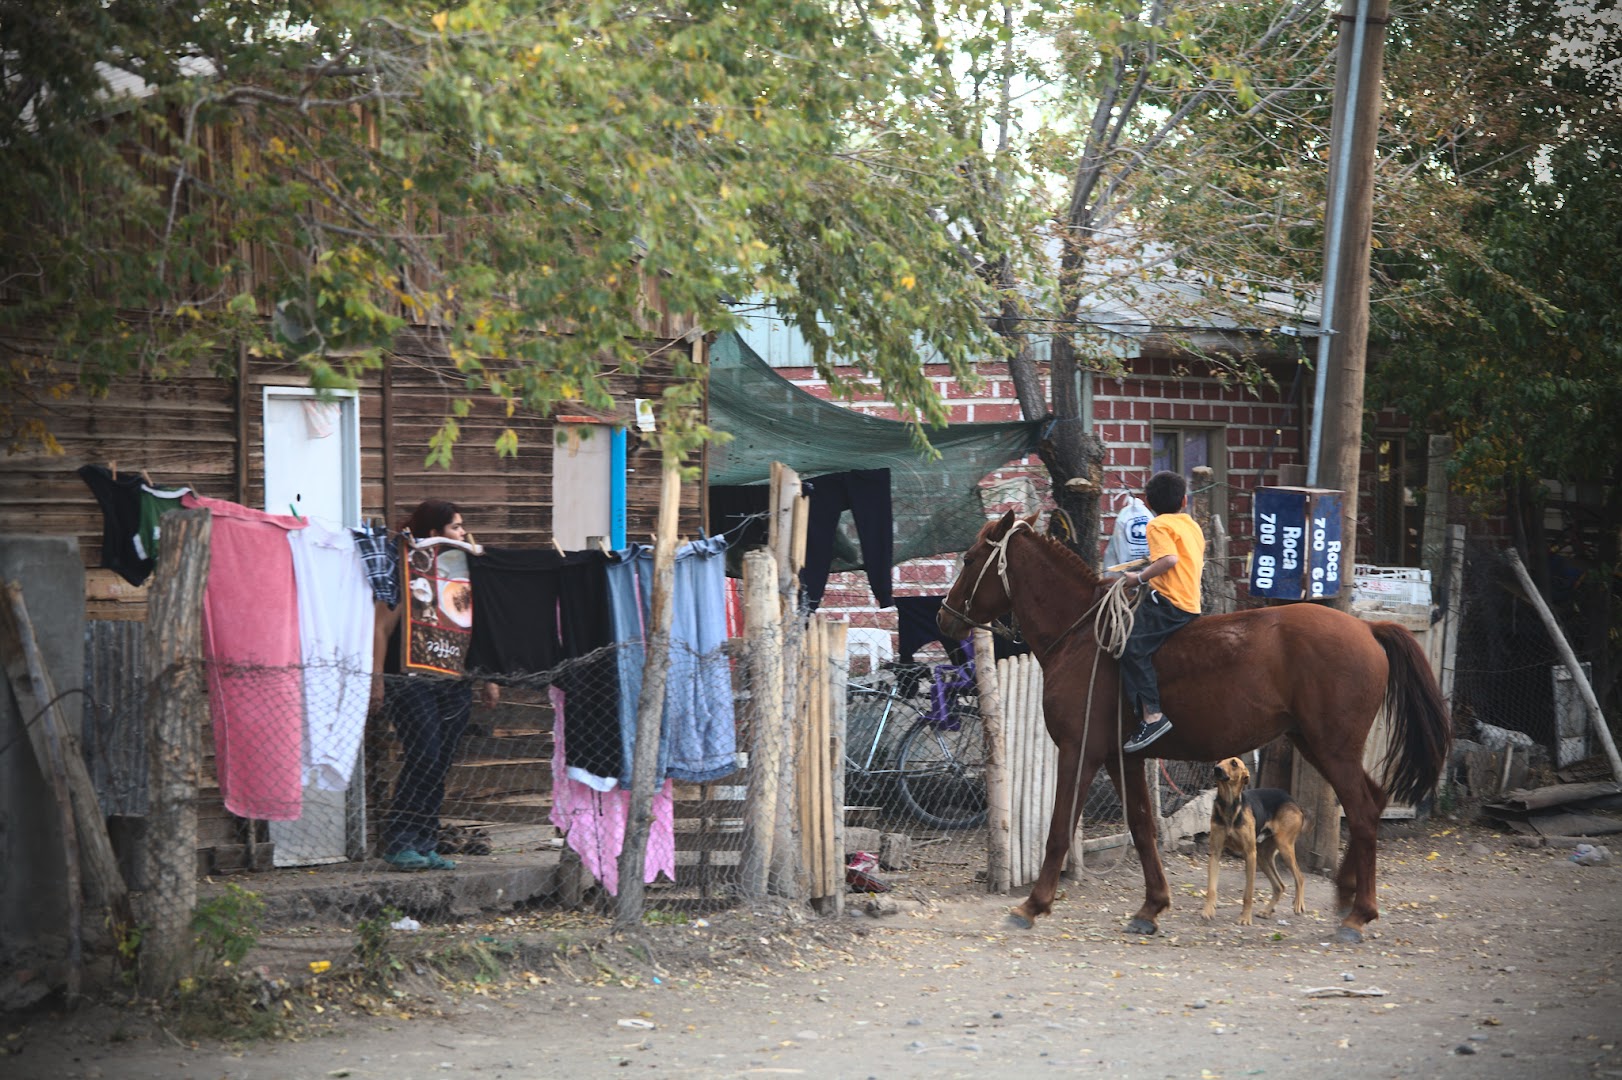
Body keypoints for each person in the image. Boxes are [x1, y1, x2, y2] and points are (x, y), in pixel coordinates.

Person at [371, 499, 498, 871]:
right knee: (423, 754)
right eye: (456, 527)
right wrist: (378, 680)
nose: (463, 533)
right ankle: (400, 839)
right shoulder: (407, 571)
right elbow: (381, 627)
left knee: (440, 762)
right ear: (433, 533)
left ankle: (425, 841)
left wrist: (487, 678)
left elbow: (475, 627)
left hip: (454, 681)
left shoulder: (462, 576)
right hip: (410, 679)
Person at [1119, 470, 1205, 753]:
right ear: (1184, 500)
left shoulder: (1157, 526)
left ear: (1147, 501)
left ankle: (1152, 716)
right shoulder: (1191, 525)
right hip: (1191, 602)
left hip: (1170, 603)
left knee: (1131, 645)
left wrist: (1139, 578)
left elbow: (1169, 559)